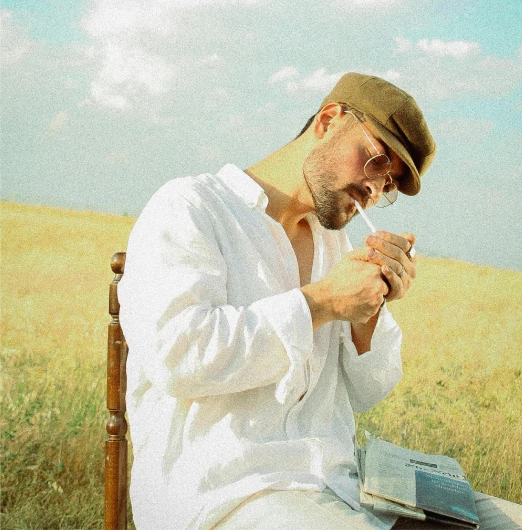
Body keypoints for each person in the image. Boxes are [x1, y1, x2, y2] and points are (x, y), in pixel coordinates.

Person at [118, 72, 522, 530]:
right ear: (329, 120)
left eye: (389, 184)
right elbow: (178, 356)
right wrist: (323, 301)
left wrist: (368, 310)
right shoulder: (191, 206)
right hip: (227, 493)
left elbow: (369, 391)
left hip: (344, 488)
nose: (376, 188)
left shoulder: (337, 247)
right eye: (376, 160)